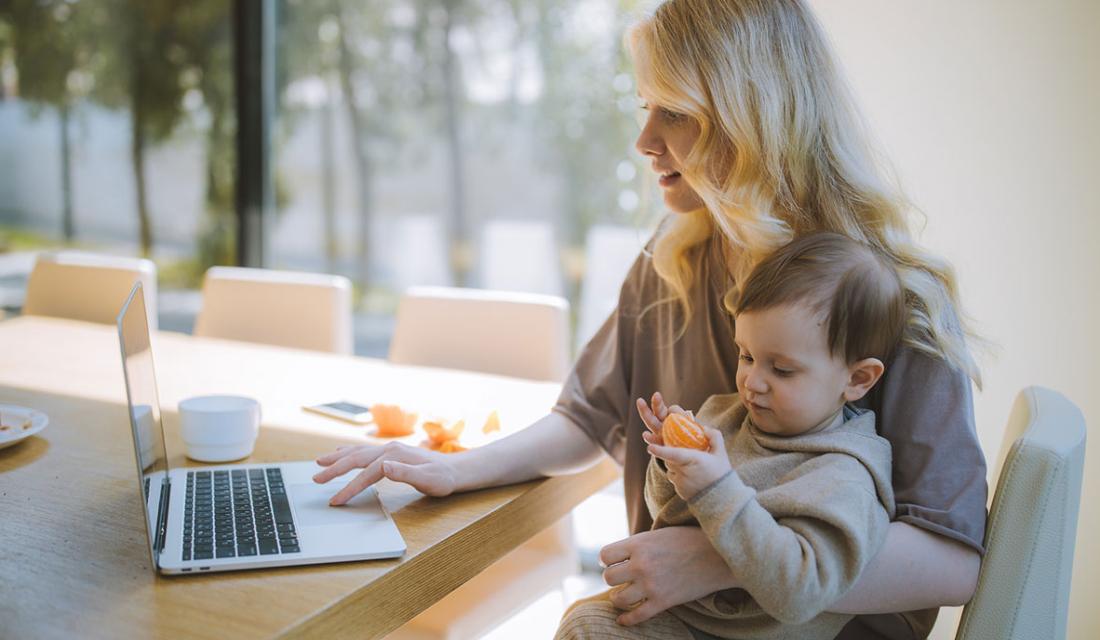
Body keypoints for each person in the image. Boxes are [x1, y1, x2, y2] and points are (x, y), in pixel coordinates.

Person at [312, 1, 987, 637]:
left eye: (674, 112)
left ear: (750, 117)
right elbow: (586, 417)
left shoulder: (896, 299)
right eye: (645, 107)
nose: (643, 139)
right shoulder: (673, 260)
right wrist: (458, 468)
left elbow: (953, 559)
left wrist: (718, 558)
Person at [556, 232, 906, 640]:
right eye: (747, 356)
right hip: (686, 617)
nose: (753, 382)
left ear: (858, 378)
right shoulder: (726, 416)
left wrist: (717, 487)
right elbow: (667, 516)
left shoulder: (844, 476)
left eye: (782, 369)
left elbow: (800, 593)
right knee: (585, 622)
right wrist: (672, 465)